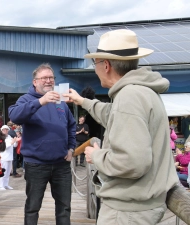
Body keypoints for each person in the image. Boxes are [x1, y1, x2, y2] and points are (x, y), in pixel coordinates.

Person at [65, 29, 178, 224]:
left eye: (96, 63)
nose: (95, 68)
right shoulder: (141, 92)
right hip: (142, 207)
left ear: (106, 65)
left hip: (126, 213)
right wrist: (82, 101)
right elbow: (112, 114)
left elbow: (133, 162)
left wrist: (96, 156)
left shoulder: (128, 98)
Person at [9, 63, 76, 225]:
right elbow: (14, 116)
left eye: (51, 77)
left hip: (61, 164)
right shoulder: (26, 99)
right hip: (36, 164)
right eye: (44, 78)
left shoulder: (60, 100)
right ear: (35, 82)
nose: (48, 81)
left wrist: (71, 148)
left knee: (64, 207)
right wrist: (41, 102)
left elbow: (71, 125)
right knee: (33, 207)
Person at [0, 125, 19, 190]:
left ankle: (6, 184)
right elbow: (3, 147)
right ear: (1, 130)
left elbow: (14, 145)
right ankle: (1, 185)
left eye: (6, 129)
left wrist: (16, 141)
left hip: (10, 156)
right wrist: (12, 142)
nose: (5, 131)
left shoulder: (9, 136)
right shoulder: (0, 138)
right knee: (3, 172)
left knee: (8, 172)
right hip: (4, 157)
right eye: (4, 129)